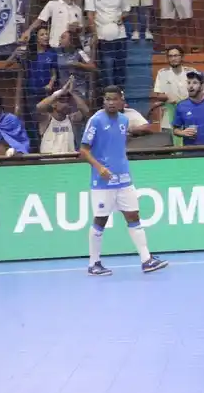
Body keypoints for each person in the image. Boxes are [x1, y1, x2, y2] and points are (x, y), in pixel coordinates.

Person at [79, 86, 168, 275]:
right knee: (100, 220)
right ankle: (93, 263)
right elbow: (83, 150)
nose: (110, 102)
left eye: (114, 99)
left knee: (133, 217)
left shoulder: (124, 120)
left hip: (124, 180)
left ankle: (146, 260)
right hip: (103, 181)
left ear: (121, 101)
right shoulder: (95, 120)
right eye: (107, 99)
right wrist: (100, 167)